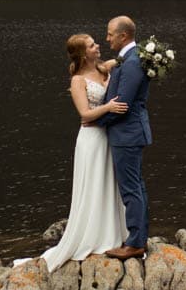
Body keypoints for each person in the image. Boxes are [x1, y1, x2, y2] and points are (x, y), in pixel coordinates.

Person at [40, 33, 130, 271]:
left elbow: (127, 58)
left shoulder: (105, 68)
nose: (98, 45)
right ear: (82, 53)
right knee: (93, 184)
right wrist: (109, 107)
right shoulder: (78, 81)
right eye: (92, 45)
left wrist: (151, 56)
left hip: (108, 136)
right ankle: (93, 235)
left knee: (110, 182)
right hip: (91, 139)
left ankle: (115, 231)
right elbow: (85, 115)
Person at [98, 15, 152, 260]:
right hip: (129, 133)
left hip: (127, 134)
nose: (107, 38)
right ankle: (138, 237)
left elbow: (123, 105)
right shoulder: (130, 57)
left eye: (110, 34)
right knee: (136, 186)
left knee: (131, 188)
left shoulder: (131, 62)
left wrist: (95, 120)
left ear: (123, 36)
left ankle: (135, 243)